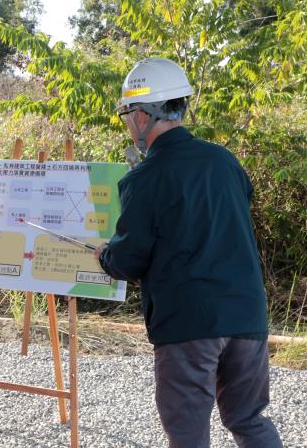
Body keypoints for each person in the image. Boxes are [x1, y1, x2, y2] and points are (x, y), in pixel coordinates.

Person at [94, 58, 283, 448]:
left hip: (189, 324)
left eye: (127, 115)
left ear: (143, 115)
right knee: (248, 419)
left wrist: (106, 256)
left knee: (188, 433)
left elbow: (129, 259)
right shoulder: (224, 160)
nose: (128, 124)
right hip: (247, 316)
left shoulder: (145, 178)